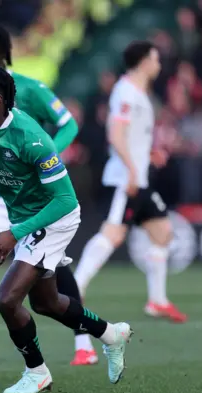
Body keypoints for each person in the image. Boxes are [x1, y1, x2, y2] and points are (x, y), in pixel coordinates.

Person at [0, 65, 132, 393]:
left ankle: (37, 371)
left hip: (53, 218)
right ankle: (111, 335)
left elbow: (64, 200)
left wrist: (15, 233)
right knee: (47, 303)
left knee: (6, 299)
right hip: (27, 217)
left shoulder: (32, 139)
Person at [0, 22, 97, 366]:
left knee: (53, 271)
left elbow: (69, 125)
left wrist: (50, 157)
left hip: (34, 195)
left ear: (4, 51)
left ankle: (84, 341)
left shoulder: (30, 90)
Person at [73, 41, 187, 323]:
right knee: (113, 234)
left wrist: (149, 154)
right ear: (145, 62)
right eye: (156, 59)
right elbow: (115, 134)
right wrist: (132, 170)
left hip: (140, 176)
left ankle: (157, 301)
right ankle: (75, 286)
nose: (159, 65)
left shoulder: (138, 92)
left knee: (163, 233)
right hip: (127, 178)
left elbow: (131, 136)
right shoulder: (125, 92)